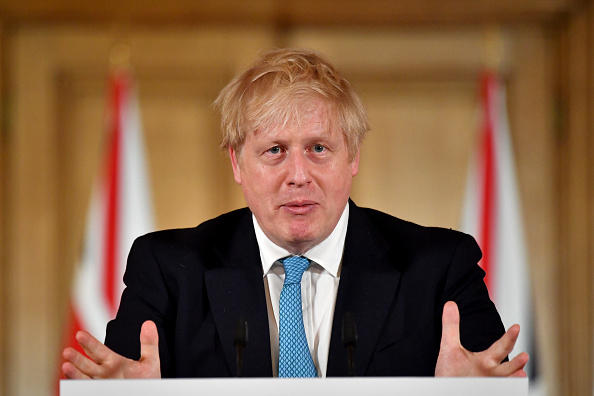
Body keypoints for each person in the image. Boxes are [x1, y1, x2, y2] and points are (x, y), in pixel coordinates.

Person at [62, 48, 529, 379]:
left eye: (319, 148)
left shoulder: (439, 267)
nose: (298, 175)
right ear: (236, 163)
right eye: (274, 151)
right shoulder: (166, 270)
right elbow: (120, 380)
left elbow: (491, 381)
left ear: (354, 157)